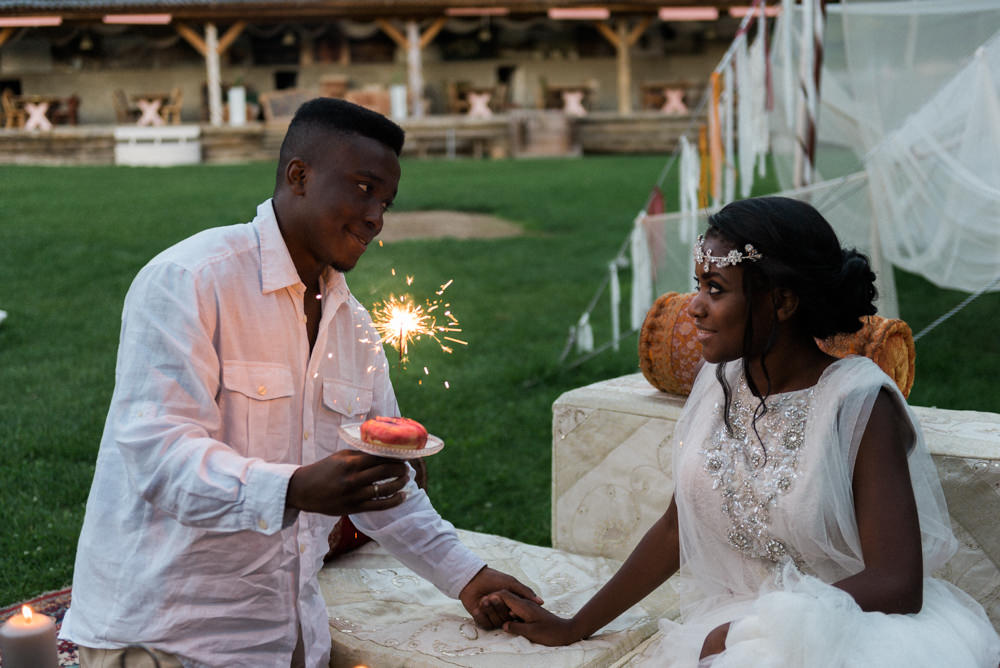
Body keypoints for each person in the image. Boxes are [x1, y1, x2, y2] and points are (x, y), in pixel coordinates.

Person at [60, 97, 539, 668]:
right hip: (168, 637)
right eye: (363, 188)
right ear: (299, 176)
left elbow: (377, 484)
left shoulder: (353, 325)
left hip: (288, 637)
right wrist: (292, 489)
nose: (375, 217)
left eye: (385, 201)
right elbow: (158, 458)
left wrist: (470, 578)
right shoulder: (189, 280)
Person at [486, 196, 1000, 666]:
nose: (694, 307)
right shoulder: (719, 379)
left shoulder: (859, 402)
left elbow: (898, 582)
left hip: (847, 634)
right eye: (697, 286)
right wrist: (575, 625)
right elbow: (675, 528)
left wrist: (758, 628)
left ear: (782, 302)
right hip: (733, 624)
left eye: (716, 289)